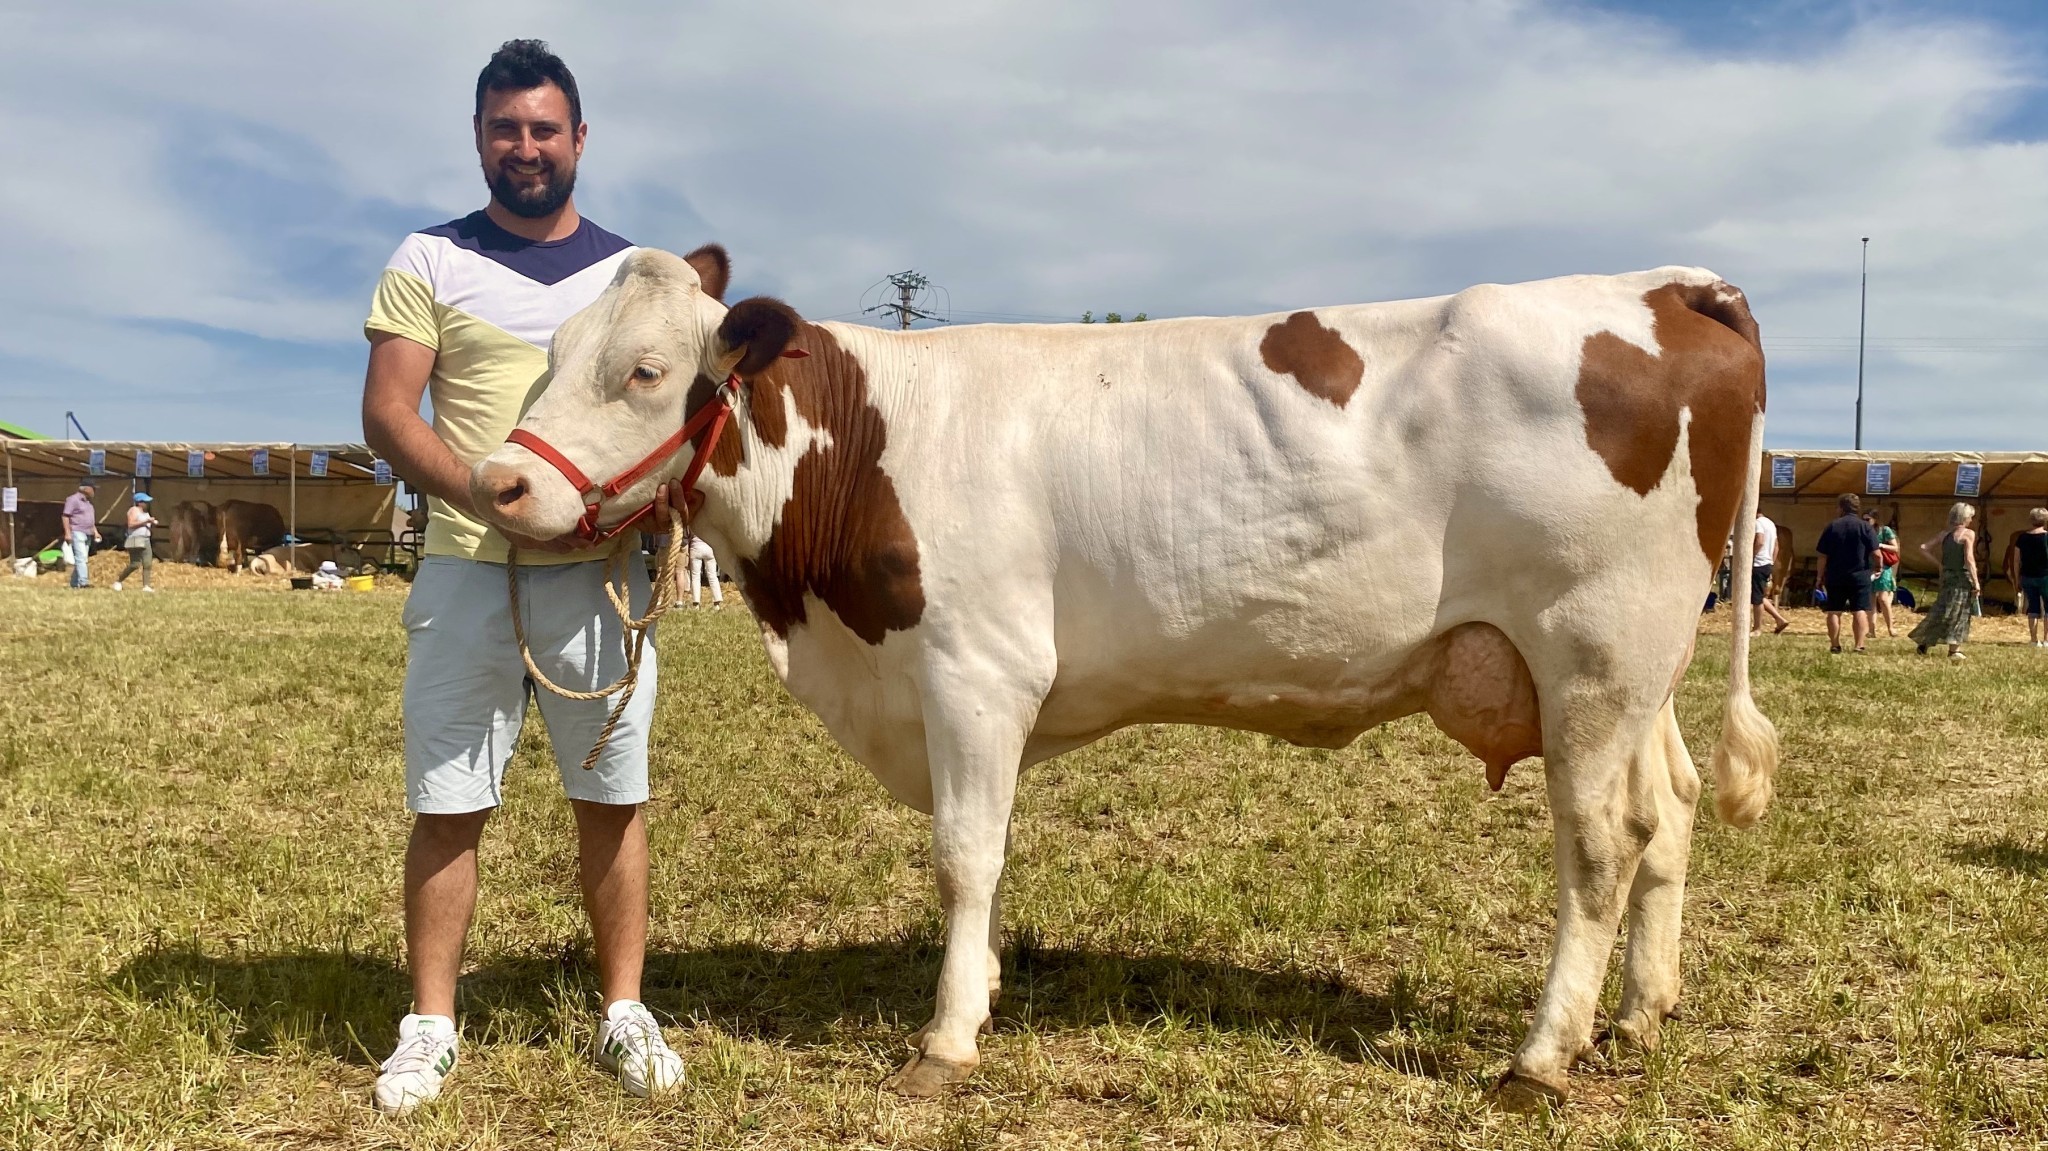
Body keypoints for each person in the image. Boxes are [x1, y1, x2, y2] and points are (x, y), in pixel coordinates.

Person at [359, 40, 682, 1116]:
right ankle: (431, 1023)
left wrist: (639, 508)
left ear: (578, 139)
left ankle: (624, 1009)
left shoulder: (637, 275)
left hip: (600, 577)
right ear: (479, 138)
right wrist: (485, 499)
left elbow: (673, 415)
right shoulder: (427, 259)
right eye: (506, 128)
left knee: (614, 798)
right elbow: (389, 411)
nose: (526, 146)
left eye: (545, 128)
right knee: (448, 802)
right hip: (464, 571)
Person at [1910, 503, 1980, 660]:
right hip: (1961, 578)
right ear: (1964, 517)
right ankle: (1954, 650)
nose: (1971, 520)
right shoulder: (1968, 534)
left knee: (1941, 609)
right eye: (1970, 517)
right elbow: (1969, 559)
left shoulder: (1945, 534)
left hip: (1947, 577)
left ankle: (1925, 641)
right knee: (1959, 612)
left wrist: (1940, 565)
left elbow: (1923, 548)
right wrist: (1976, 582)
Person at [1813, 492, 1881, 654]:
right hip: (1860, 575)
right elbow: (1877, 553)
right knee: (1859, 610)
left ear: (1841, 508)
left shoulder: (1832, 526)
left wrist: (1819, 576)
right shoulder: (1865, 527)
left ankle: (1835, 645)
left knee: (1834, 611)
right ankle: (1859, 645)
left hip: (1836, 575)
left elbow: (1823, 556)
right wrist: (1878, 567)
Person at [2006, 507, 2048, 648]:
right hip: (2045, 577)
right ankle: (2046, 639)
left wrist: (2017, 579)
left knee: (2033, 608)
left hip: (2028, 577)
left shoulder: (2022, 538)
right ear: (2045, 520)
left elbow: (2016, 560)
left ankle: (2033, 639)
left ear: (2031, 520)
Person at [1750, 511, 1788, 635]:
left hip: (1757, 563)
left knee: (1757, 599)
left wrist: (1751, 557)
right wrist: (1771, 561)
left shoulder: (1757, 523)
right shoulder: (1771, 523)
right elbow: (1776, 545)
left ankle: (1757, 628)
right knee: (1760, 596)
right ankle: (1779, 619)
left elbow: (1760, 541)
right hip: (1767, 563)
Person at [113, 492, 158, 593]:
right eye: (145, 502)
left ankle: (146, 585)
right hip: (135, 539)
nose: (147, 504)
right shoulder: (133, 510)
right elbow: (131, 524)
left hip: (146, 539)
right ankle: (118, 581)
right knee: (135, 564)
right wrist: (145, 522)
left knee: (148, 563)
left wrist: (152, 523)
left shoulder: (145, 513)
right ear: (140, 502)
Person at [60, 481, 100, 589]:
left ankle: (74, 584)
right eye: (93, 488)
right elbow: (65, 516)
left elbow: (90, 521)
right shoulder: (73, 500)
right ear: (86, 489)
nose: (94, 491)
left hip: (88, 533)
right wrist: (67, 533)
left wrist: (95, 532)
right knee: (81, 558)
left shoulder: (88, 504)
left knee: (82, 559)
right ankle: (83, 583)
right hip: (77, 532)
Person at [1866, 511, 1899, 638]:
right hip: (1868, 568)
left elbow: (1895, 548)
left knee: (1883, 599)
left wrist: (1880, 545)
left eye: (1868, 519)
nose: (1866, 522)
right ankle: (1871, 630)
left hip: (1884, 568)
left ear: (1875, 519)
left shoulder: (1885, 530)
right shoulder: (1864, 531)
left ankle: (1891, 628)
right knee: (1871, 600)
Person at [686, 531, 722, 610]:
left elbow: (688, 536)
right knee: (713, 576)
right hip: (709, 548)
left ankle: (696, 603)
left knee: (695, 577)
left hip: (695, 548)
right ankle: (717, 602)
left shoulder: (693, 524)